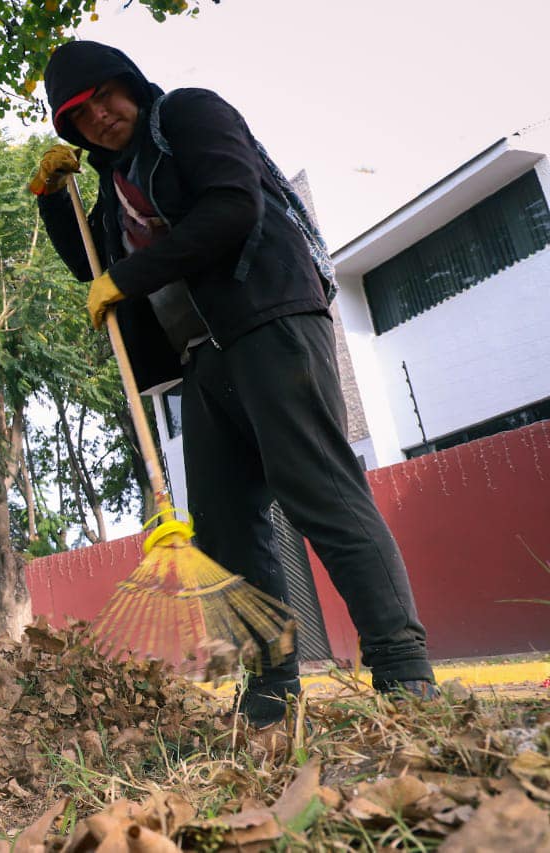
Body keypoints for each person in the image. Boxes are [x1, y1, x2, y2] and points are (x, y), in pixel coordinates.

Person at [30, 39, 438, 727]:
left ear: (129, 84)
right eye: (79, 115)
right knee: (225, 530)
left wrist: (124, 278)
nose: (99, 116)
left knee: (318, 490)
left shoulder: (187, 116)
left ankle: (403, 671)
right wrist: (50, 197)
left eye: (105, 97)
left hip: (270, 318)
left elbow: (231, 208)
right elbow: (88, 263)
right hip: (202, 356)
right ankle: (272, 689)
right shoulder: (112, 187)